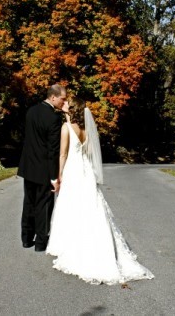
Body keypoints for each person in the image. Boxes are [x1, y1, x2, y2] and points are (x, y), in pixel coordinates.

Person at [46, 97, 154, 285]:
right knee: (91, 207)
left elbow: (63, 154)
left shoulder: (66, 128)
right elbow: (89, 153)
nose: (64, 104)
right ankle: (98, 245)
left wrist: (59, 174)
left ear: (72, 109)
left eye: (67, 104)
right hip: (86, 171)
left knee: (72, 206)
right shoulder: (87, 130)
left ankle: (75, 247)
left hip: (73, 171)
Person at [18, 84, 66, 252]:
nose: (64, 102)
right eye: (62, 99)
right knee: (44, 206)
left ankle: (26, 238)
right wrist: (55, 177)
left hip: (28, 165)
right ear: (53, 97)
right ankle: (40, 243)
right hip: (44, 168)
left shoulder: (31, 111)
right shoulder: (53, 118)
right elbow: (53, 150)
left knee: (29, 202)